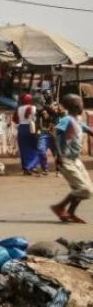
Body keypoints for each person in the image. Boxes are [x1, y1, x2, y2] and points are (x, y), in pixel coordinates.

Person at [52, 94, 93, 223]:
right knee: (84, 189)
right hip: (66, 160)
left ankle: (70, 212)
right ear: (74, 106)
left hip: (75, 160)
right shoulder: (67, 119)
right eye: (80, 103)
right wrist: (59, 153)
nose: (82, 105)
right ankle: (59, 207)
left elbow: (88, 130)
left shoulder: (77, 120)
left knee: (86, 188)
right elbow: (57, 132)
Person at [17, 93, 42, 175]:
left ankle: (25, 168)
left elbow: (18, 119)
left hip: (21, 129)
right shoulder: (33, 108)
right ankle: (31, 166)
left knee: (23, 149)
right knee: (34, 148)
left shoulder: (19, 108)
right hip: (30, 128)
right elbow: (34, 118)